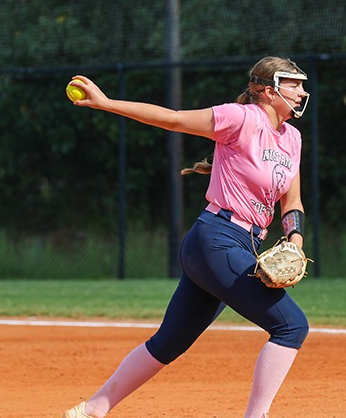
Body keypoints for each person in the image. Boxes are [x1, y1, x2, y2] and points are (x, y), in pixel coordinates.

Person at [61, 56, 311, 418]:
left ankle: (90, 410)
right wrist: (106, 103)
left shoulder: (292, 139)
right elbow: (174, 118)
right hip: (216, 238)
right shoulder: (242, 118)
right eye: (294, 84)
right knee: (291, 326)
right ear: (269, 90)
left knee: (170, 342)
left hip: (234, 245)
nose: (302, 92)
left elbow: (293, 200)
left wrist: (296, 240)